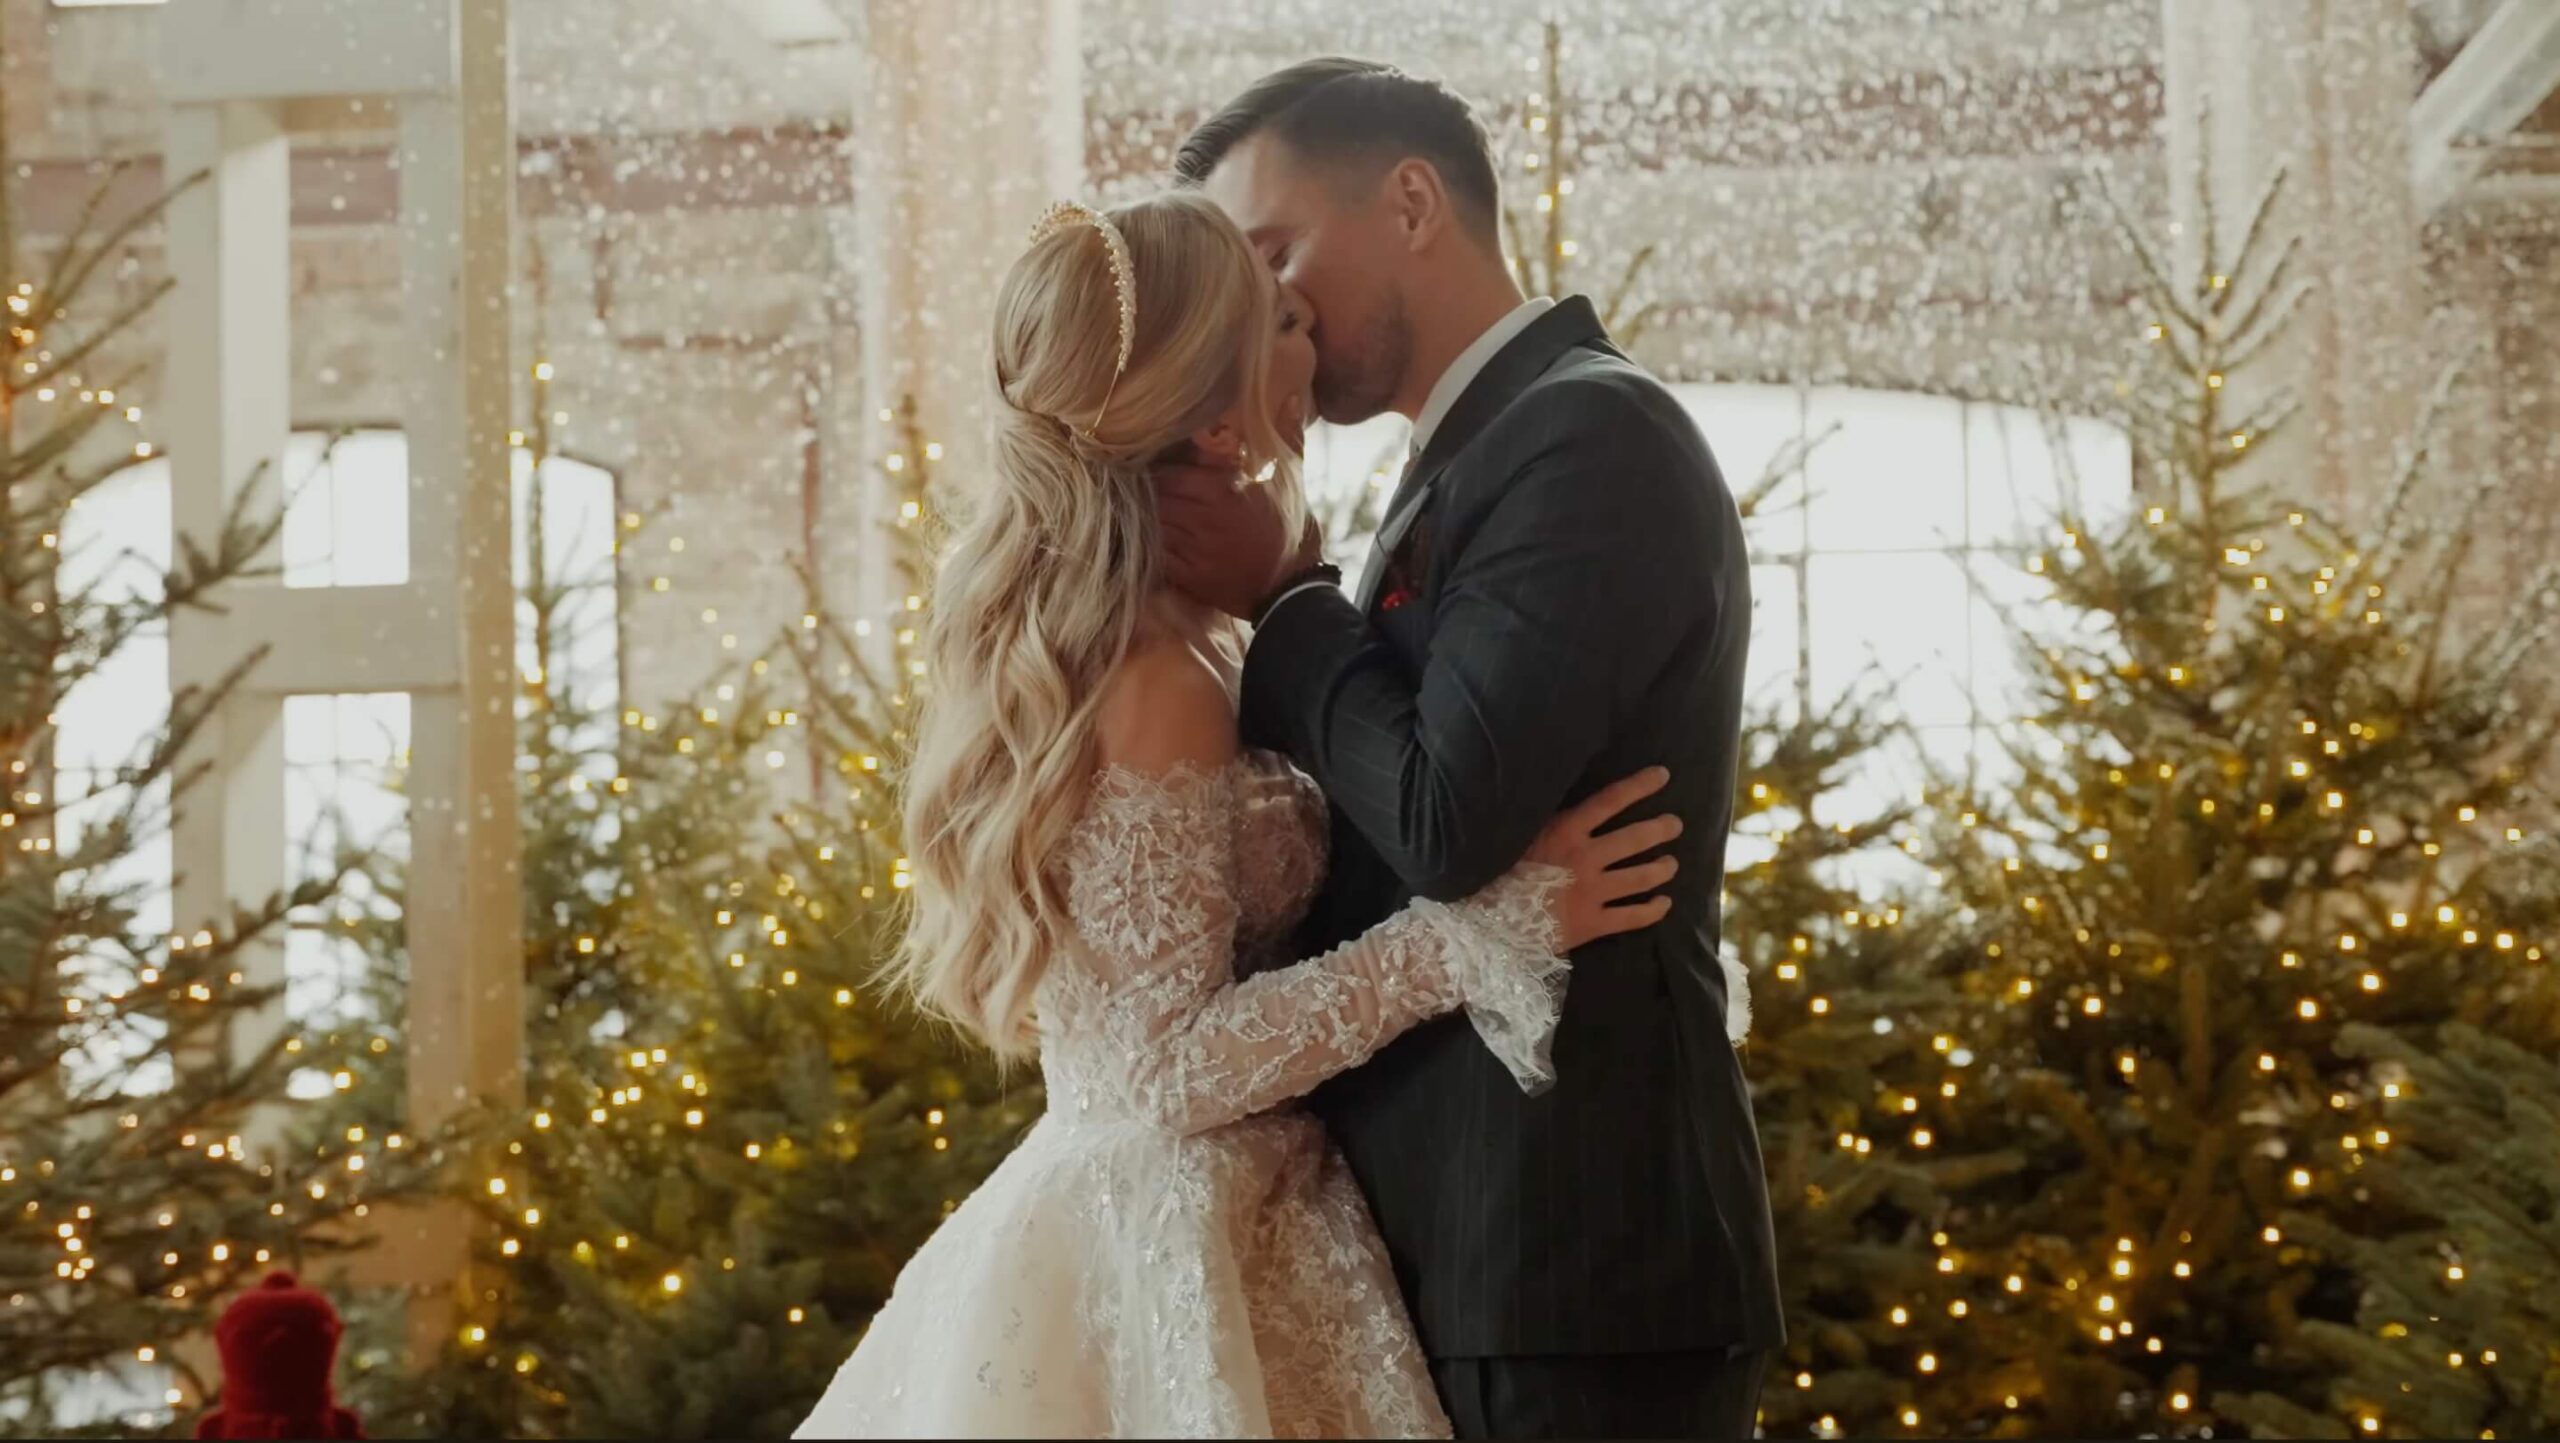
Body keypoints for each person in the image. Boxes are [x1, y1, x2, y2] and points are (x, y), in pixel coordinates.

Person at [792, 190, 1682, 1437]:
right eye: (1278, 320)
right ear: (1215, 414)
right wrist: (1473, 933)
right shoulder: (1157, 674)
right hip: (1169, 1240)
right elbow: (1162, 1068)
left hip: (1245, 1203)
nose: (1307, 326)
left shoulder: (1200, 636)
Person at [1153, 58, 1785, 1440]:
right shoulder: (1476, 451)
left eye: (1275, 253)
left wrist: (1289, 603)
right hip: (1486, 1252)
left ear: (1411, 201)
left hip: (1569, 1259)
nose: (1265, 309)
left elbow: (1448, 817)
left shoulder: (1586, 433)